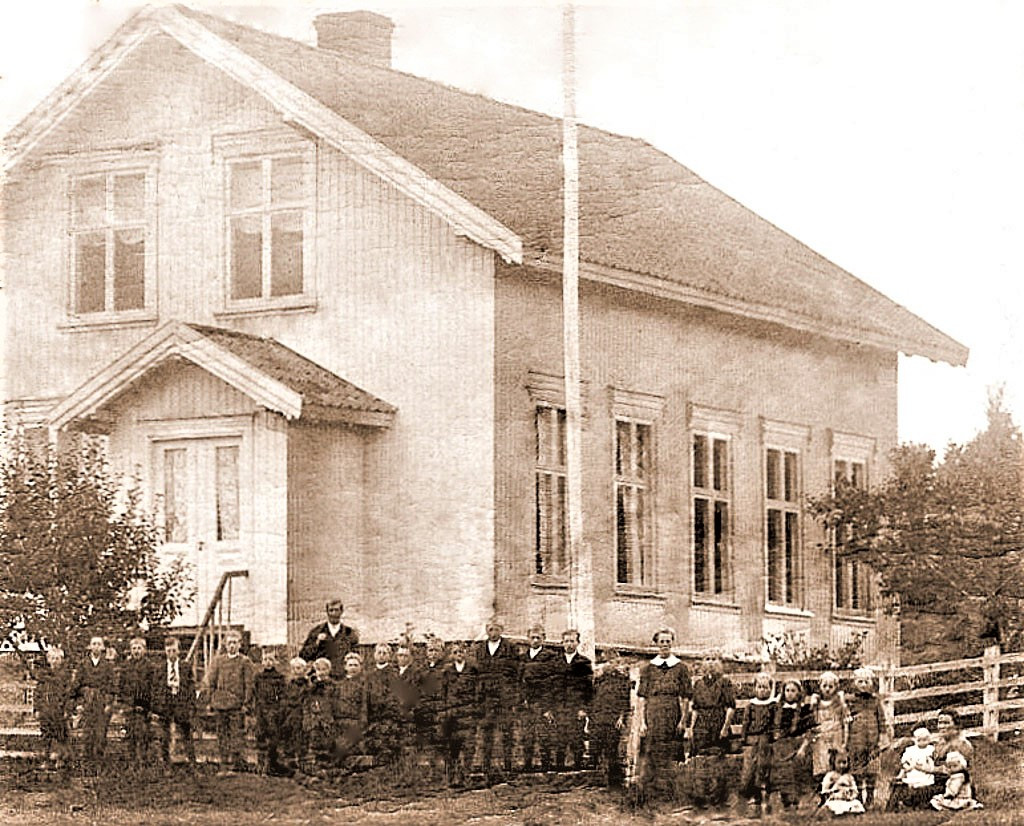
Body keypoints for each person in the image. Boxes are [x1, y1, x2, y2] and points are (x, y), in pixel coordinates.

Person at [636, 627, 692, 800]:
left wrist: (683, 721)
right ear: (656, 644)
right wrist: (642, 722)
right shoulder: (648, 669)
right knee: (652, 750)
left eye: (668, 641)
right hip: (653, 713)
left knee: (672, 750)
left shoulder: (681, 668)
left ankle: (672, 790)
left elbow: (685, 698)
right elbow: (642, 698)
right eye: (662, 642)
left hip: (673, 712)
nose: (665, 645)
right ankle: (651, 791)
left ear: (672, 643)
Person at [202, 629, 254, 774]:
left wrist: (246, 703)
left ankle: (236, 765)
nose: (232, 645)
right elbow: (211, 682)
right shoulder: (218, 661)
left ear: (240, 645)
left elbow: (249, 684)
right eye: (229, 642)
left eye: (235, 643)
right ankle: (224, 764)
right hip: (220, 704)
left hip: (237, 706)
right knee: (222, 734)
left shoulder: (245, 662)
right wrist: (211, 700)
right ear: (225, 644)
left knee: (236, 734)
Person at [473, 617, 519, 777]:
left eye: (497, 629)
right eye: (490, 629)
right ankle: (486, 766)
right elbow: (477, 674)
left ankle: (508, 766)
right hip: (486, 698)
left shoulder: (510, 648)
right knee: (487, 732)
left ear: (502, 630)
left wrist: (512, 696)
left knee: (507, 732)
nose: (493, 632)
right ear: (486, 630)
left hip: (504, 697)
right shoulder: (480, 649)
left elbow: (515, 673)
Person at [71, 635, 116, 771]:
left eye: (99, 644)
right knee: (88, 734)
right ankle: (87, 765)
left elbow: (112, 687)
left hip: (101, 703)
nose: (96, 646)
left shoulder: (108, 666)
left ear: (102, 647)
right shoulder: (83, 665)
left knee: (100, 734)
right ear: (90, 647)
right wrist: (81, 700)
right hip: (87, 703)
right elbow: (76, 686)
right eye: (93, 644)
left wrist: (108, 704)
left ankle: (99, 764)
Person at [846, 665, 888, 808]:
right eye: (860, 682)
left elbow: (881, 719)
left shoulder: (875, 701)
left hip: (872, 740)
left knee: (872, 769)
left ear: (871, 683)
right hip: (856, 740)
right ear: (854, 683)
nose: (863, 685)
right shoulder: (850, 701)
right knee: (857, 768)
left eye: (866, 682)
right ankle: (858, 794)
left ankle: (870, 797)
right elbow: (845, 719)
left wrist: (883, 736)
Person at [589, 650, 632, 788]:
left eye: (612, 662)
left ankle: (615, 781)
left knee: (611, 749)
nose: (609, 665)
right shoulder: (598, 679)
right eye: (606, 662)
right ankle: (595, 779)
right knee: (595, 747)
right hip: (598, 717)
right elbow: (591, 698)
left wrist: (621, 717)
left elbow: (625, 700)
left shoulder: (621, 679)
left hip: (613, 719)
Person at [153, 636, 196, 768]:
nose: (171, 653)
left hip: (181, 703)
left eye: (173, 650)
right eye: (168, 651)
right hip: (166, 704)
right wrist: (156, 708)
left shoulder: (185, 667)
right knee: (164, 736)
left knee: (186, 734)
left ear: (179, 651)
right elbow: (155, 688)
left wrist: (191, 706)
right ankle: (166, 764)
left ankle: (192, 763)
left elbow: (191, 688)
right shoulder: (160, 668)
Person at [553, 629, 592, 771]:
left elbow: (588, 688)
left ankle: (577, 768)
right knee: (559, 739)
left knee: (576, 738)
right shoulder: (556, 662)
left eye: (572, 641)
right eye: (566, 641)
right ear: (562, 643)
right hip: (559, 708)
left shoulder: (584, 662)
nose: (569, 644)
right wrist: (551, 708)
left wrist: (584, 708)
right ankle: (559, 769)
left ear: (578, 643)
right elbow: (551, 687)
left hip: (576, 708)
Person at [519, 625, 556, 773]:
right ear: (528, 639)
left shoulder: (550, 657)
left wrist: (548, 707)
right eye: (532, 637)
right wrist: (521, 700)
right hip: (526, 704)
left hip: (542, 703)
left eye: (538, 637)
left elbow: (552, 684)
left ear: (544, 639)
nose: (535, 640)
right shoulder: (522, 658)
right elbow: (518, 682)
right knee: (527, 735)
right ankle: (527, 765)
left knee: (543, 735)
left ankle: (545, 766)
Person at [771, 678, 811, 810]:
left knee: (796, 771)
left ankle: (796, 800)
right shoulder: (778, 709)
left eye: (793, 691)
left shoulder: (803, 709)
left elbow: (809, 730)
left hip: (797, 743)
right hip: (782, 743)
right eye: (787, 690)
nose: (789, 693)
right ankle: (786, 801)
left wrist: (803, 746)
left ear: (799, 693)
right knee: (783, 771)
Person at [740, 672, 776, 816]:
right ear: (755, 688)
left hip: (765, 739)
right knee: (749, 768)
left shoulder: (772, 705)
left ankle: (763, 800)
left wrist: (774, 734)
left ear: (770, 689)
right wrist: (744, 737)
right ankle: (751, 797)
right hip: (752, 739)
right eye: (760, 687)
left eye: (766, 687)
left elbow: (775, 722)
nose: (763, 690)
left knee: (763, 767)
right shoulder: (751, 705)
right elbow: (745, 722)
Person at [443, 641, 478, 787]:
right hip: (452, 715)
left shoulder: (472, 670)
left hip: (468, 714)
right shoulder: (447, 671)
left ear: (465, 653)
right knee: (453, 747)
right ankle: (452, 778)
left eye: (461, 652)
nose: (458, 655)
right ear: (452, 654)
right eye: (456, 652)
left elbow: (477, 691)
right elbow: (443, 692)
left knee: (469, 746)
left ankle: (467, 776)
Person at [688, 653, 735, 758]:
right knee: (698, 753)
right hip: (702, 723)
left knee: (718, 754)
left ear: (719, 662)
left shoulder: (724, 682)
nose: (711, 662)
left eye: (714, 659)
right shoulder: (698, 683)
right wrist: (691, 727)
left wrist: (725, 728)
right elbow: (695, 708)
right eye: (707, 659)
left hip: (718, 721)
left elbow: (731, 708)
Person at [807, 671, 848, 791]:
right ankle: (822, 792)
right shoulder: (817, 702)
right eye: (824, 686)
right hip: (821, 737)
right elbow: (812, 719)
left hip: (836, 735)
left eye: (831, 686)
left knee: (836, 763)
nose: (828, 689)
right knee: (822, 764)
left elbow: (845, 721)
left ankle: (837, 791)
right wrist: (813, 703)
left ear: (836, 687)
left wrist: (844, 740)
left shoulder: (839, 702)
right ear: (820, 686)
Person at [34, 646, 73, 771]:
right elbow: (38, 694)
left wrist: (67, 710)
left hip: (59, 711)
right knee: (46, 735)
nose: (55, 661)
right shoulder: (43, 677)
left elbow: (69, 695)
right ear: (48, 659)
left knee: (60, 734)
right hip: (46, 710)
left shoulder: (65, 677)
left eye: (57, 658)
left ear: (61, 660)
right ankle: (46, 759)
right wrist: (37, 709)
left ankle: (61, 759)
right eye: (52, 658)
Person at [298, 599, 359, 677]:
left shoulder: (349, 633)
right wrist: (317, 642)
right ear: (327, 612)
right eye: (331, 610)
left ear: (341, 612)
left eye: (336, 610)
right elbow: (303, 655)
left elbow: (356, 656)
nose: (333, 614)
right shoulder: (316, 632)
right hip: (321, 677)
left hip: (342, 676)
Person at [120, 636, 155, 768]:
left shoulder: (150, 667)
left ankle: (143, 761)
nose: (136, 651)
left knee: (143, 734)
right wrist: (126, 703)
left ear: (144, 650)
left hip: (144, 707)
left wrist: (147, 706)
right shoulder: (126, 666)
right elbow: (122, 686)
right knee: (130, 734)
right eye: (134, 648)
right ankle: (132, 762)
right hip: (129, 706)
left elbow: (152, 687)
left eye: (139, 648)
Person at [415, 637, 448, 769]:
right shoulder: (421, 670)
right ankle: (427, 760)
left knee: (440, 734)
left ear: (442, 652)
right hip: (425, 707)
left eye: (436, 650)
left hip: (441, 706)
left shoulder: (446, 669)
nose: (433, 653)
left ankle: (441, 761)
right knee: (425, 734)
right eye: (430, 650)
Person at [252, 648, 287, 775]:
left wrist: (278, 710)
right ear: (262, 661)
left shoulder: (279, 678)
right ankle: (260, 765)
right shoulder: (258, 677)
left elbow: (283, 696)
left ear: (275, 661)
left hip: (273, 710)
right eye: (265, 659)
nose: (268, 662)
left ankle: (271, 765)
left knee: (273, 737)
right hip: (261, 710)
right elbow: (254, 693)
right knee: (260, 735)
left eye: (271, 659)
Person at [301, 657, 338, 773]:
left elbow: (336, 703)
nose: (321, 672)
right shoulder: (310, 687)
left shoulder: (333, 686)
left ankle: (327, 768)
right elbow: (306, 703)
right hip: (314, 719)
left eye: (324, 669)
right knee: (314, 743)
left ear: (329, 670)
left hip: (328, 718)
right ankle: (315, 769)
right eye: (319, 669)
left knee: (328, 743)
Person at [365, 641, 399, 762]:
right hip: (372, 715)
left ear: (389, 656)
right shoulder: (369, 675)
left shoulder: (393, 674)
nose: (381, 655)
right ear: (374, 655)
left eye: (384, 653)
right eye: (379, 652)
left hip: (386, 715)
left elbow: (394, 696)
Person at [888, 726, 936, 810]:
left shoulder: (930, 750)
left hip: (924, 772)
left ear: (929, 740)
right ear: (915, 740)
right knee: (904, 778)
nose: (922, 743)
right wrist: (908, 767)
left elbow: (931, 764)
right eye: (919, 740)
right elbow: (905, 761)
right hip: (911, 771)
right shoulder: (911, 750)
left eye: (924, 740)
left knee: (923, 782)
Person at [333, 651, 367, 765]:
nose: (353, 668)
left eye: (356, 665)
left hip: (355, 721)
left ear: (361, 667)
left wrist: (362, 721)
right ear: (345, 667)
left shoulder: (364, 684)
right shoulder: (338, 685)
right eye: (350, 665)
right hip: (340, 721)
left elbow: (364, 704)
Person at [281, 656, 309, 773]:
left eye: (299, 668)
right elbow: (284, 698)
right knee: (289, 736)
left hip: (302, 714)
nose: (296, 671)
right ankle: (290, 762)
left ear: (304, 669)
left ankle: (302, 761)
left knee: (302, 738)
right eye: (294, 668)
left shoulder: (307, 685)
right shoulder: (289, 684)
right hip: (289, 714)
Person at [821, 750, 865, 815]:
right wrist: (832, 792)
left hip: (847, 799)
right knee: (834, 805)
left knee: (856, 804)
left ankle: (849, 811)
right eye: (839, 763)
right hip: (835, 799)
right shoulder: (830, 776)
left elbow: (854, 789)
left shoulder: (849, 777)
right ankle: (839, 812)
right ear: (833, 763)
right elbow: (825, 789)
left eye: (844, 762)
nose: (841, 765)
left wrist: (851, 796)